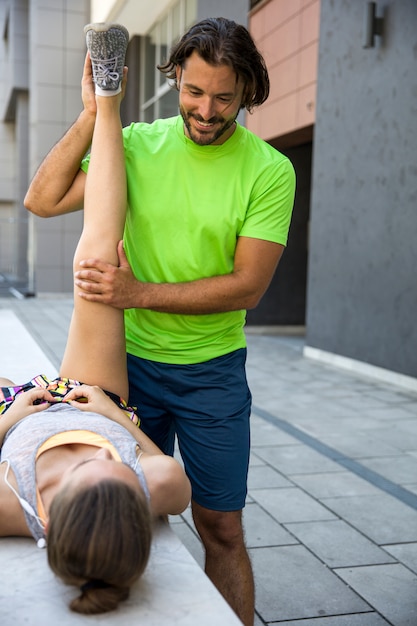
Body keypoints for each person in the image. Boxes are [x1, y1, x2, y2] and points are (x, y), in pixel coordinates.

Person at [24, 17, 296, 626]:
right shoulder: (142, 145)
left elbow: (246, 286)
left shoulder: (270, 170)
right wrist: (94, 115)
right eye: (194, 91)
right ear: (176, 78)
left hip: (211, 374)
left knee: (220, 526)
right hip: (130, 368)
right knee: (127, 509)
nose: (206, 109)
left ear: (248, 91)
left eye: (224, 97)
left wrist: (137, 291)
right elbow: (42, 201)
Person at [0, 22, 191, 616]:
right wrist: (114, 420)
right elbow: (173, 481)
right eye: (117, 474)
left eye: (85, 472)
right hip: (94, 396)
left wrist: (7, 423)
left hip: (14, 411)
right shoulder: (146, 488)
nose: (96, 461)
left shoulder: (15, 508)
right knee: (98, 258)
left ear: (50, 517)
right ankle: (108, 99)